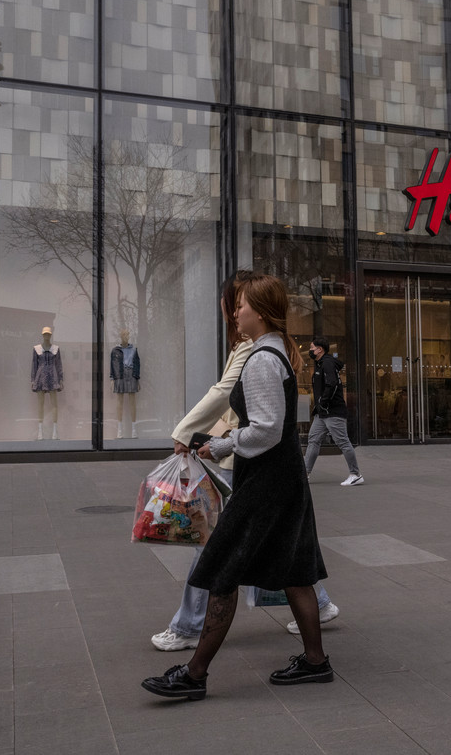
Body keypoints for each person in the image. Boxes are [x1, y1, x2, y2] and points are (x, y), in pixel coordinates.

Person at [142, 273, 333, 700]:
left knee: (223, 570)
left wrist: (220, 444)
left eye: (242, 305)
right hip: (284, 478)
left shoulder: (262, 359)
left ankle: (194, 674)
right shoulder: (272, 352)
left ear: (260, 313)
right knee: (296, 572)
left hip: (265, 482)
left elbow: (265, 430)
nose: (236, 312)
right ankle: (316, 662)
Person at [304, 335, 363, 486]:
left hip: (333, 411)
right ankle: (305, 473)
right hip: (322, 412)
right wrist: (320, 407)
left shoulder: (328, 363)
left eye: (311, 348)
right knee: (313, 439)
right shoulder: (320, 364)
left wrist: (323, 402)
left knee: (342, 441)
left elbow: (332, 384)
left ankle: (355, 474)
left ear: (319, 349)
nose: (310, 351)